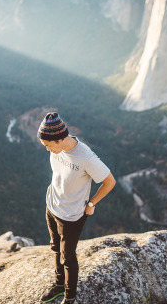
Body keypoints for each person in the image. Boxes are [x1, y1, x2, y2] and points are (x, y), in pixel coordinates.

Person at [38, 112, 116, 304]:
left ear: (61, 139)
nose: (47, 149)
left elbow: (110, 181)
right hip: (52, 207)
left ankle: (69, 297)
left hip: (71, 216)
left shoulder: (85, 157)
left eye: (49, 145)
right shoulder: (57, 148)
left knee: (68, 257)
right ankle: (58, 285)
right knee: (56, 248)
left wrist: (91, 204)